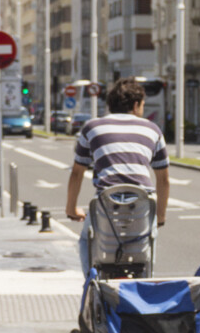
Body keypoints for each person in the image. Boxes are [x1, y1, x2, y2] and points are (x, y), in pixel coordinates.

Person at [65, 77, 170, 275]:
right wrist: (161, 216)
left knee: (86, 241)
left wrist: (71, 208)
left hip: (106, 205)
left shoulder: (91, 127)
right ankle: (145, 281)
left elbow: (77, 173)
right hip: (142, 206)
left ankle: (91, 286)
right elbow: (163, 179)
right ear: (136, 105)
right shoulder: (153, 129)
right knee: (149, 242)